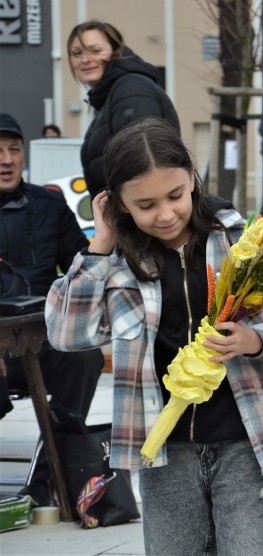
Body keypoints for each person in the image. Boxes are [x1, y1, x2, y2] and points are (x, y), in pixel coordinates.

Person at [45, 117, 263, 554]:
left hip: (250, 445)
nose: (166, 214)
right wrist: (100, 244)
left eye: (175, 195)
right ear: (118, 204)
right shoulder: (113, 261)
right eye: (145, 204)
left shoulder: (248, 240)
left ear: (192, 178)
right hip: (165, 454)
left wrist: (258, 339)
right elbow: (65, 335)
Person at [0, 112, 104, 506]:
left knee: (84, 357)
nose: (6, 159)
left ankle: (46, 478)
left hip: (40, 340)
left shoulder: (49, 204)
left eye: (13, 150)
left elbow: (81, 263)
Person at [67, 20, 180, 198]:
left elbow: (144, 166)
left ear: (115, 51)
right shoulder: (111, 96)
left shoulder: (131, 89)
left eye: (95, 50)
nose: (85, 59)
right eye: (76, 53)